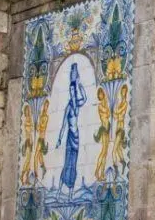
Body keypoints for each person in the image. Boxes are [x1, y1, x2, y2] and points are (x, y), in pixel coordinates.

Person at [56, 63, 87, 197]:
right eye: (71, 91)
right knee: (67, 164)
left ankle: (70, 193)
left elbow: (85, 99)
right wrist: (58, 139)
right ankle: (58, 192)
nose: (72, 93)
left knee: (73, 165)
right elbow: (63, 125)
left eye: (74, 91)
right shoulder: (69, 107)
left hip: (77, 137)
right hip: (69, 137)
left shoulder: (77, 105)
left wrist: (79, 85)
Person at [94, 88, 111, 181]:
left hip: (107, 128)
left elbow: (108, 113)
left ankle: (102, 173)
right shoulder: (100, 106)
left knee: (105, 153)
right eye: (99, 94)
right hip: (104, 129)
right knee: (103, 151)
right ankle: (97, 171)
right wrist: (105, 102)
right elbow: (106, 112)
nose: (101, 95)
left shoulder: (105, 104)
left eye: (101, 94)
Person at [112, 84, 129, 175]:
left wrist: (115, 110)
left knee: (113, 151)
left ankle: (116, 169)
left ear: (126, 93)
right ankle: (123, 163)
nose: (122, 93)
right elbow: (115, 116)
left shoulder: (125, 103)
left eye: (124, 92)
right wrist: (115, 111)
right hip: (117, 128)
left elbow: (118, 113)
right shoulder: (120, 104)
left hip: (121, 129)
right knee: (118, 150)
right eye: (122, 91)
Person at [33, 99, 49, 180]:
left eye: (47, 106)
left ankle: (36, 174)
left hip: (41, 139)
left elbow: (41, 127)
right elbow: (39, 127)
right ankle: (44, 169)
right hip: (40, 137)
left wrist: (38, 126)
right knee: (39, 156)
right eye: (45, 106)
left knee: (35, 156)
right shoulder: (41, 116)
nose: (45, 107)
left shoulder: (45, 117)